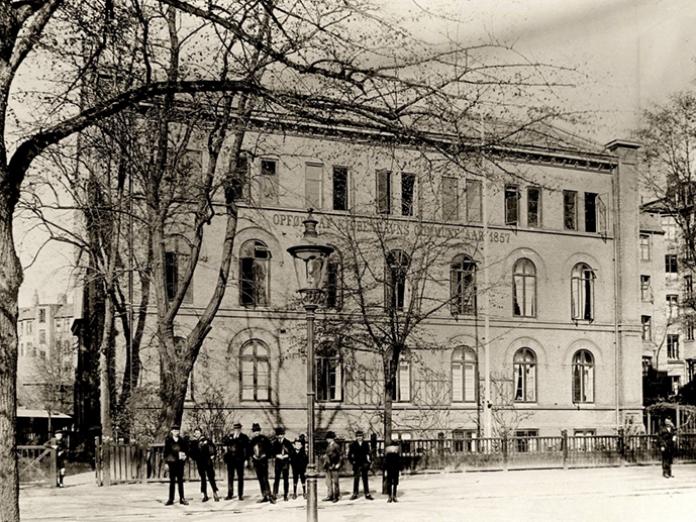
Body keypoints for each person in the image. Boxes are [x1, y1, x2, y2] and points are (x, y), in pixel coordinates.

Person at [189, 427, 220, 502]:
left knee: (211, 477)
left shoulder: (206, 440)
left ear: (201, 433)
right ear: (194, 434)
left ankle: (215, 492)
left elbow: (213, 447)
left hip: (207, 461)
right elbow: (191, 452)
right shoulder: (193, 442)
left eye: (198, 433)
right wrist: (194, 457)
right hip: (200, 462)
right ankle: (204, 494)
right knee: (203, 478)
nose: (197, 434)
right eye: (196, 433)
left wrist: (213, 454)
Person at [222, 422, 249, 500]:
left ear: (240, 429)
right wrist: (231, 439)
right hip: (231, 461)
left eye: (238, 429)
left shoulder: (244, 437)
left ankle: (240, 495)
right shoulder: (230, 436)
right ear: (233, 429)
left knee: (240, 477)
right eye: (235, 429)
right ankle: (230, 494)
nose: (237, 430)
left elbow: (247, 449)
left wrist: (246, 459)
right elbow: (224, 442)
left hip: (240, 460)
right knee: (230, 477)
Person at [163, 425, 189, 505]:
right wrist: (166, 463)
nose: (176, 432)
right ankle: (171, 499)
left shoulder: (182, 440)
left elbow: (186, 450)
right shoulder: (168, 440)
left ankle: (182, 498)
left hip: (180, 463)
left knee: (180, 481)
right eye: (174, 431)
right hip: (172, 463)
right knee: (172, 481)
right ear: (172, 432)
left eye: (177, 431)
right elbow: (166, 452)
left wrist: (185, 456)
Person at [250, 423, 274, 503]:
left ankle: (269, 495)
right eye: (255, 431)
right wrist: (253, 456)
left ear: (260, 431)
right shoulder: (252, 441)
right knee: (260, 479)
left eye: (257, 431)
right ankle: (264, 496)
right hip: (256, 462)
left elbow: (270, 449)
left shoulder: (265, 439)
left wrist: (265, 455)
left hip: (263, 462)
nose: (256, 432)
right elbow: (249, 451)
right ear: (253, 432)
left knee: (265, 478)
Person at [348, 430, 373, 500]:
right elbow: (349, 455)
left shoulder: (366, 444)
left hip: (364, 463)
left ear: (363, 437)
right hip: (356, 464)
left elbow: (369, 453)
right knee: (356, 479)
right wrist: (352, 462)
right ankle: (355, 493)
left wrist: (369, 462)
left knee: (365, 479)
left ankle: (367, 493)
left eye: (361, 436)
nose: (359, 437)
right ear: (356, 437)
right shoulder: (353, 445)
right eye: (358, 436)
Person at [271, 426, 294, 501]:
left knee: (286, 479)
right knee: (276, 479)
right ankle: (275, 493)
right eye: (278, 435)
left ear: (283, 435)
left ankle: (285, 494)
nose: (280, 436)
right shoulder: (275, 443)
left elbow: (292, 452)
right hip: (278, 462)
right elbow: (272, 452)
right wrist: (277, 455)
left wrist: (287, 455)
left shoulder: (287, 442)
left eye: (281, 435)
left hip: (285, 463)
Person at [322, 431, 342, 502]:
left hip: (334, 465)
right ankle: (330, 495)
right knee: (328, 482)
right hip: (328, 465)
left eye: (328, 438)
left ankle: (336, 496)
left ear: (331, 438)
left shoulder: (336, 446)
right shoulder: (328, 446)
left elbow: (340, 456)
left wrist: (338, 464)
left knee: (335, 481)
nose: (327, 440)